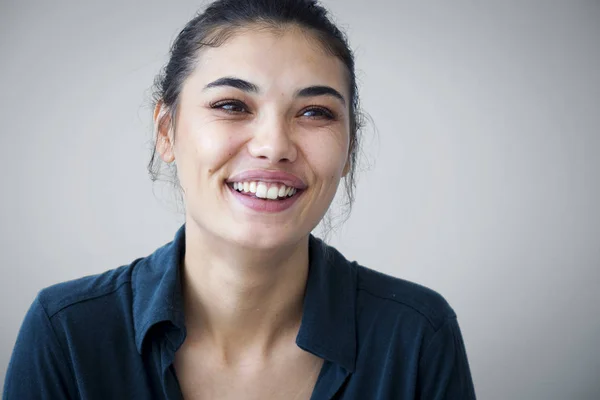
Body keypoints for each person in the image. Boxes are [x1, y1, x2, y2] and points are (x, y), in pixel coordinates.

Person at [3, 0, 476, 398]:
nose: (274, 146)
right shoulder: (66, 334)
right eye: (232, 105)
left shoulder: (417, 336)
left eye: (314, 112)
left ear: (350, 147)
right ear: (166, 131)